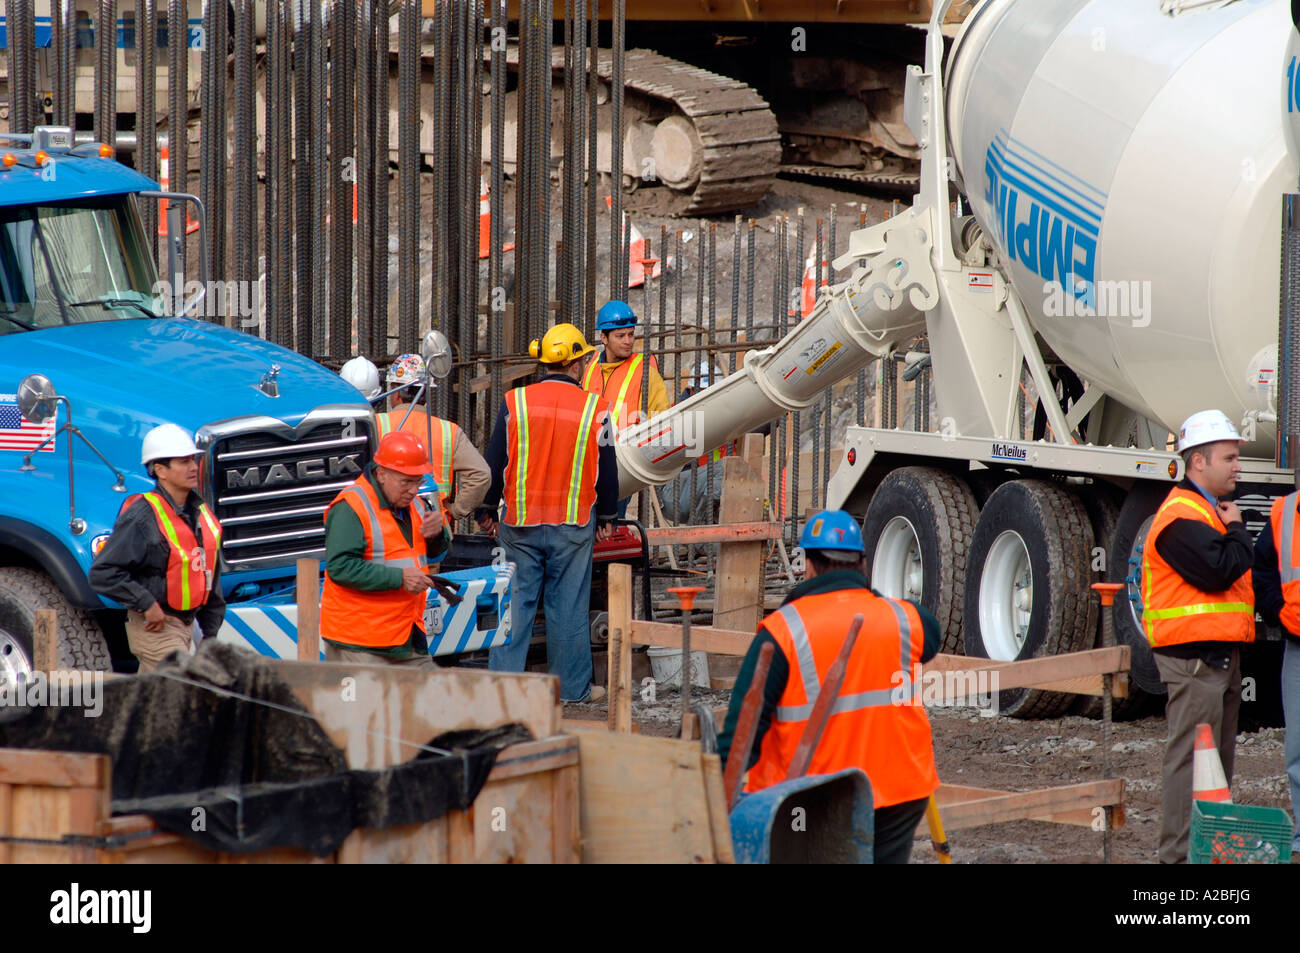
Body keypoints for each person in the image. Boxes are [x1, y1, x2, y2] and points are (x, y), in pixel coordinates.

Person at [717, 509, 941, 864]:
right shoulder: (901, 617)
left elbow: (742, 733)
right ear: (863, 564)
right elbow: (933, 636)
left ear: (808, 564)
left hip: (812, 799)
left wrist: (713, 793)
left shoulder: (782, 630)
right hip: (900, 790)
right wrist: (868, 594)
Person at [477, 323, 619, 702]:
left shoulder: (515, 402)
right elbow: (607, 467)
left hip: (519, 523)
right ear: (576, 364)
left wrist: (487, 508)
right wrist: (607, 517)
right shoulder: (597, 408)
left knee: (514, 607)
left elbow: (495, 460)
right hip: (573, 525)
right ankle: (572, 691)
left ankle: (502, 693)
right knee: (568, 609)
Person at [1143, 409, 1254, 864]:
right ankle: (1179, 856)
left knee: (1215, 764)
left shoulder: (1204, 513)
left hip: (1216, 656)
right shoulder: (1181, 516)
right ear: (1198, 463)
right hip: (1193, 659)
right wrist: (1237, 529)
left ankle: (1206, 852)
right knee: (1192, 762)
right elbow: (1219, 570)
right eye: (1228, 458)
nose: (1237, 466)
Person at [89, 423, 225, 673]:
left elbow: (208, 575)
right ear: (160, 470)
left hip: (186, 625)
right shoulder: (142, 517)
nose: (194, 467)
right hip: (156, 627)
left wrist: (211, 632)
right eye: (183, 462)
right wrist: (147, 605)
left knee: (152, 701)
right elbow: (103, 573)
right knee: (176, 694)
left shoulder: (201, 514)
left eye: (193, 460)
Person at [319, 431, 451, 668]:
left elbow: (433, 554)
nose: (413, 490)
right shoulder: (351, 506)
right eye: (406, 482)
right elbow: (340, 568)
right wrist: (399, 578)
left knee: (432, 702)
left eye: (418, 481)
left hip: (405, 636)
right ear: (381, 474)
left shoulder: (415, 506)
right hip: (359, 643)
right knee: (365, 706)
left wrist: (437, 535)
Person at [376, 353, 490, 522]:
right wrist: (453, 511)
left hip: (387, 523)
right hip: (434, 525)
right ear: (426, 392)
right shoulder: (448, 431)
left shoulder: (376, 424)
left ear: (395, 392)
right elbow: (482, 475)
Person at [1249, 473, 1300, 857]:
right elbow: (1262, 570)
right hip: (1296, 648)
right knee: (1297, 752)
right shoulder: (1284, 512)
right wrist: (1277, 614)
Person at [583, 300, 669, 518]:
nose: (628, 341)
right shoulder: (591, 366)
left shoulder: (644, 371)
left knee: (609, 528)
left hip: (622, 465)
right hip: (586, 463)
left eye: (631, 335)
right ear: (604, 338)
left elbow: (662, 419)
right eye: (620, 336)